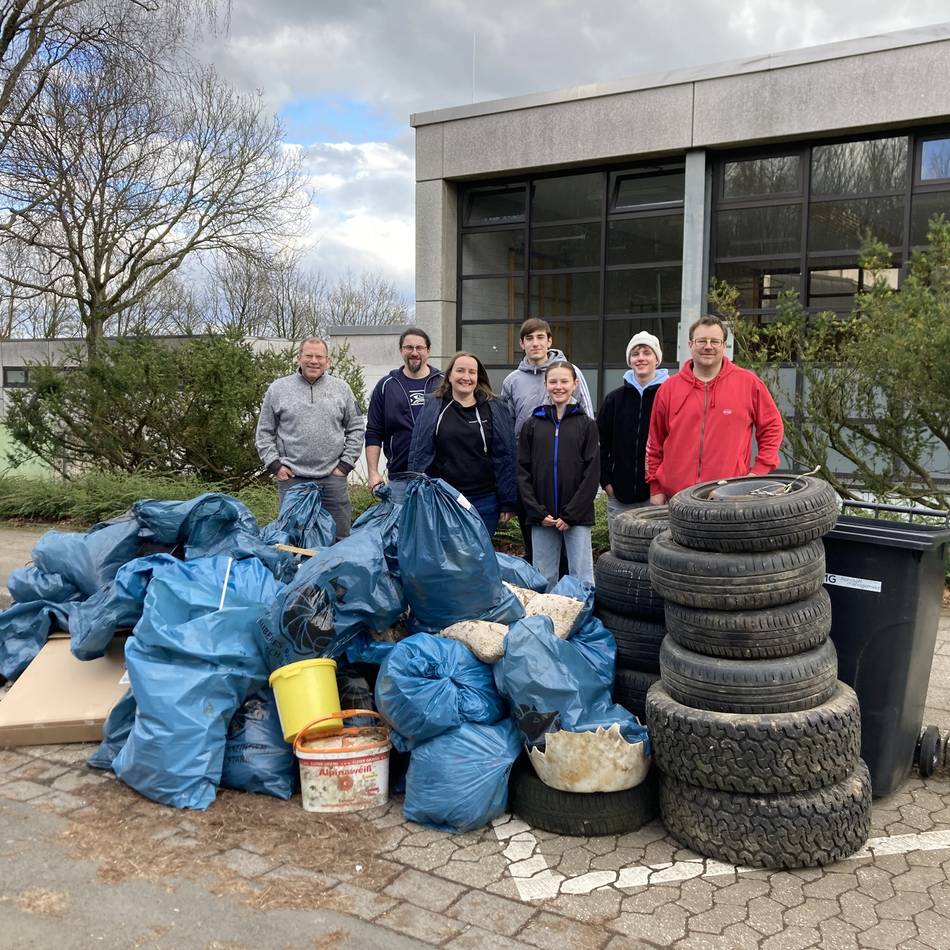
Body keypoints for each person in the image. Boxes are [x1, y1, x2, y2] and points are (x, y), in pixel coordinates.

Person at [646, 315, 783, 503]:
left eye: (715, 341)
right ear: (690, 345)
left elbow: (772, 428)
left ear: (724, 345)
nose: (708, 346)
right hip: (676, 499)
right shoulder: (668, 389)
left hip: (729, 499)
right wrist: (656, 489)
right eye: (701, 341)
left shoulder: (748, 383)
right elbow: (654, 444)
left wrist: (758, 473)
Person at [500, 317, 594, 560]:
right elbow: (506, 430)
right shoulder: (512, 381)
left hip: (569, 476)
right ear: (522, 344)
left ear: (550, 341)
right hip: (531, 478)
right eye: (529, 338)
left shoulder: (570, 372)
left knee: (571, 557)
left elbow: (587, 417)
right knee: (538, 552)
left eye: (540, 337)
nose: (535, 343)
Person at [255, 337, 365, 540]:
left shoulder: (342, 389)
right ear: (299, 358)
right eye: (309, 356)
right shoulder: (278, 389)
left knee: (340, 538)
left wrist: (345, 466)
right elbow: (264, 432)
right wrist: (275, 466)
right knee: (292, 539)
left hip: (332, 480)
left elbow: (356, 428)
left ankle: (338, 562)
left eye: (319, 357)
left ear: (328, 361)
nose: (314, 361)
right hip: (292, 480)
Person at [408, 351, 517, 536]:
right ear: (449, 376)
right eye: (460, 371)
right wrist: (416, 493)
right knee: (447, 552)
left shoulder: (495, 407)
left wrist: (508, 501)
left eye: (472, 372)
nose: (466, 377)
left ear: (478, 377)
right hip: (444, 498)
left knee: (479, 553)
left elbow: (506, 455)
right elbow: (419, 451)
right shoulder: (433, 406)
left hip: (485, 501)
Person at [517, 361, 599, 588]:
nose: (559, 386)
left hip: (577, 516)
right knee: (544, 577)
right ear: (545, 384)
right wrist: (536, 511)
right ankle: (547, 612)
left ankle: (582, 611)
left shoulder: (587, 425)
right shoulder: (532, 425)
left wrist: (572, 514)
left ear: (575, 384)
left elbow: (592, 474)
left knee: (581, 577)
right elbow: (522, 472)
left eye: (564, 381)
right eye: (553, 381)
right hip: (542, 516)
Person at [598, 331, 669, 542]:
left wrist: (666, 486)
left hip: (658, 497)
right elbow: (600, 444)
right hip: (620, 496)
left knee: (656, 552)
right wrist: (606, 482)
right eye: (635, 353)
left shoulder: (669, 396)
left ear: (657, 359)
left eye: (647, 352)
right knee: (620, 551)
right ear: (629, 360)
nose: (641, 358)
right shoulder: (614, 399)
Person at [365, 327, 443, 503]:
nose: (414, 352)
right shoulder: (386, 386)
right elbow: (374, 432)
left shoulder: (444, 383)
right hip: (399, 479)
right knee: (399, 522)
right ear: (401, 350)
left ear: (428, 351)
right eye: (409, 347)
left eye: (419, 347)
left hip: (438, 479)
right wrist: (373, 472)